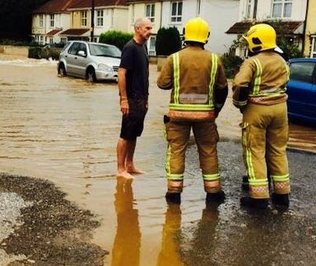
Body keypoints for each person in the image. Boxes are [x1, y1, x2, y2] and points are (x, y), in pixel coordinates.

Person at [157, 17, 228, 204]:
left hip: (178, 115)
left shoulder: (174, 58)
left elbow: (162, 84)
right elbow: (222, 88)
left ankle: (174, 192)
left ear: (185, 35)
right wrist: (216, 110)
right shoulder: (215, 59)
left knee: (176, 150)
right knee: (208, 150)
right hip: (205, 116)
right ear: (207, 36)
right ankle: (213, 192)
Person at [232, 23, 290, 209]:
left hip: (257, 111)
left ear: (256, 41)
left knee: (254, 151)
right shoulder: (282, 61)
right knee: (278, 150)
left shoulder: (252, 62)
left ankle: (259, 198)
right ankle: (282, 195)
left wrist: (240, 104)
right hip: (280, 110)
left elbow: (240, 84)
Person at [116, 17, 153, 179]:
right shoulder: (130, 48)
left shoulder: (143, 47)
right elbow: (122, 73)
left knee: (134, 133)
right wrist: (123, 99)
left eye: (151, 28)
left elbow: (143, 76)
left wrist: (146, 99)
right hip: (130, 99)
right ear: (137, 29)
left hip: (141, 100)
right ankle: (120, 169)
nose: (150, 31)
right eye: (147, 28)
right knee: (126, 134)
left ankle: (130, 165)